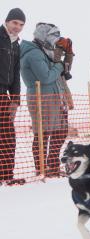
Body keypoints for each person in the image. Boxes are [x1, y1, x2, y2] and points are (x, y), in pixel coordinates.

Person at [21, 23, 70, 178]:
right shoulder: (34, 54)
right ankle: (42, 168)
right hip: (42, 98)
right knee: (42, 134)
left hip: (53, 97)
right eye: (54, 36)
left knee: (60, 131)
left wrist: (67, 55)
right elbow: (46, 77)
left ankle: (52, 165)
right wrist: (59, 66)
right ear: (44, 36)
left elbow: (58, 73)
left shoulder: (44, 51)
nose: (57, 39)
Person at [0, 8, 25, 185]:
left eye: (21, 25)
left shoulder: (16, 44)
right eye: (15, 22)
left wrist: (15, 100)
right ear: (7, 21)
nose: (17, 27)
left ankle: (6, 175)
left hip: (5, 95)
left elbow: (16, 73)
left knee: (8, 135)